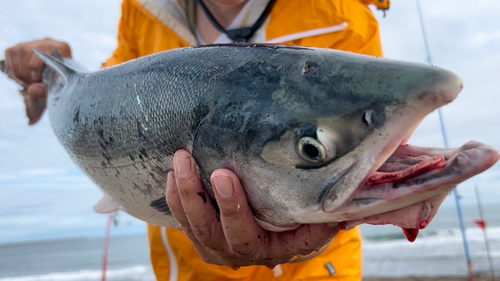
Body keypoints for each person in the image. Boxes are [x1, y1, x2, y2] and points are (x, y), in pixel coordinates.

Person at [4, 0, 390, 280]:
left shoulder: (345, 20)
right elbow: (107, 94)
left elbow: (369, 156)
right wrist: (57, 69)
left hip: (316, 272)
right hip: (185, 271)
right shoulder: (141, 10)